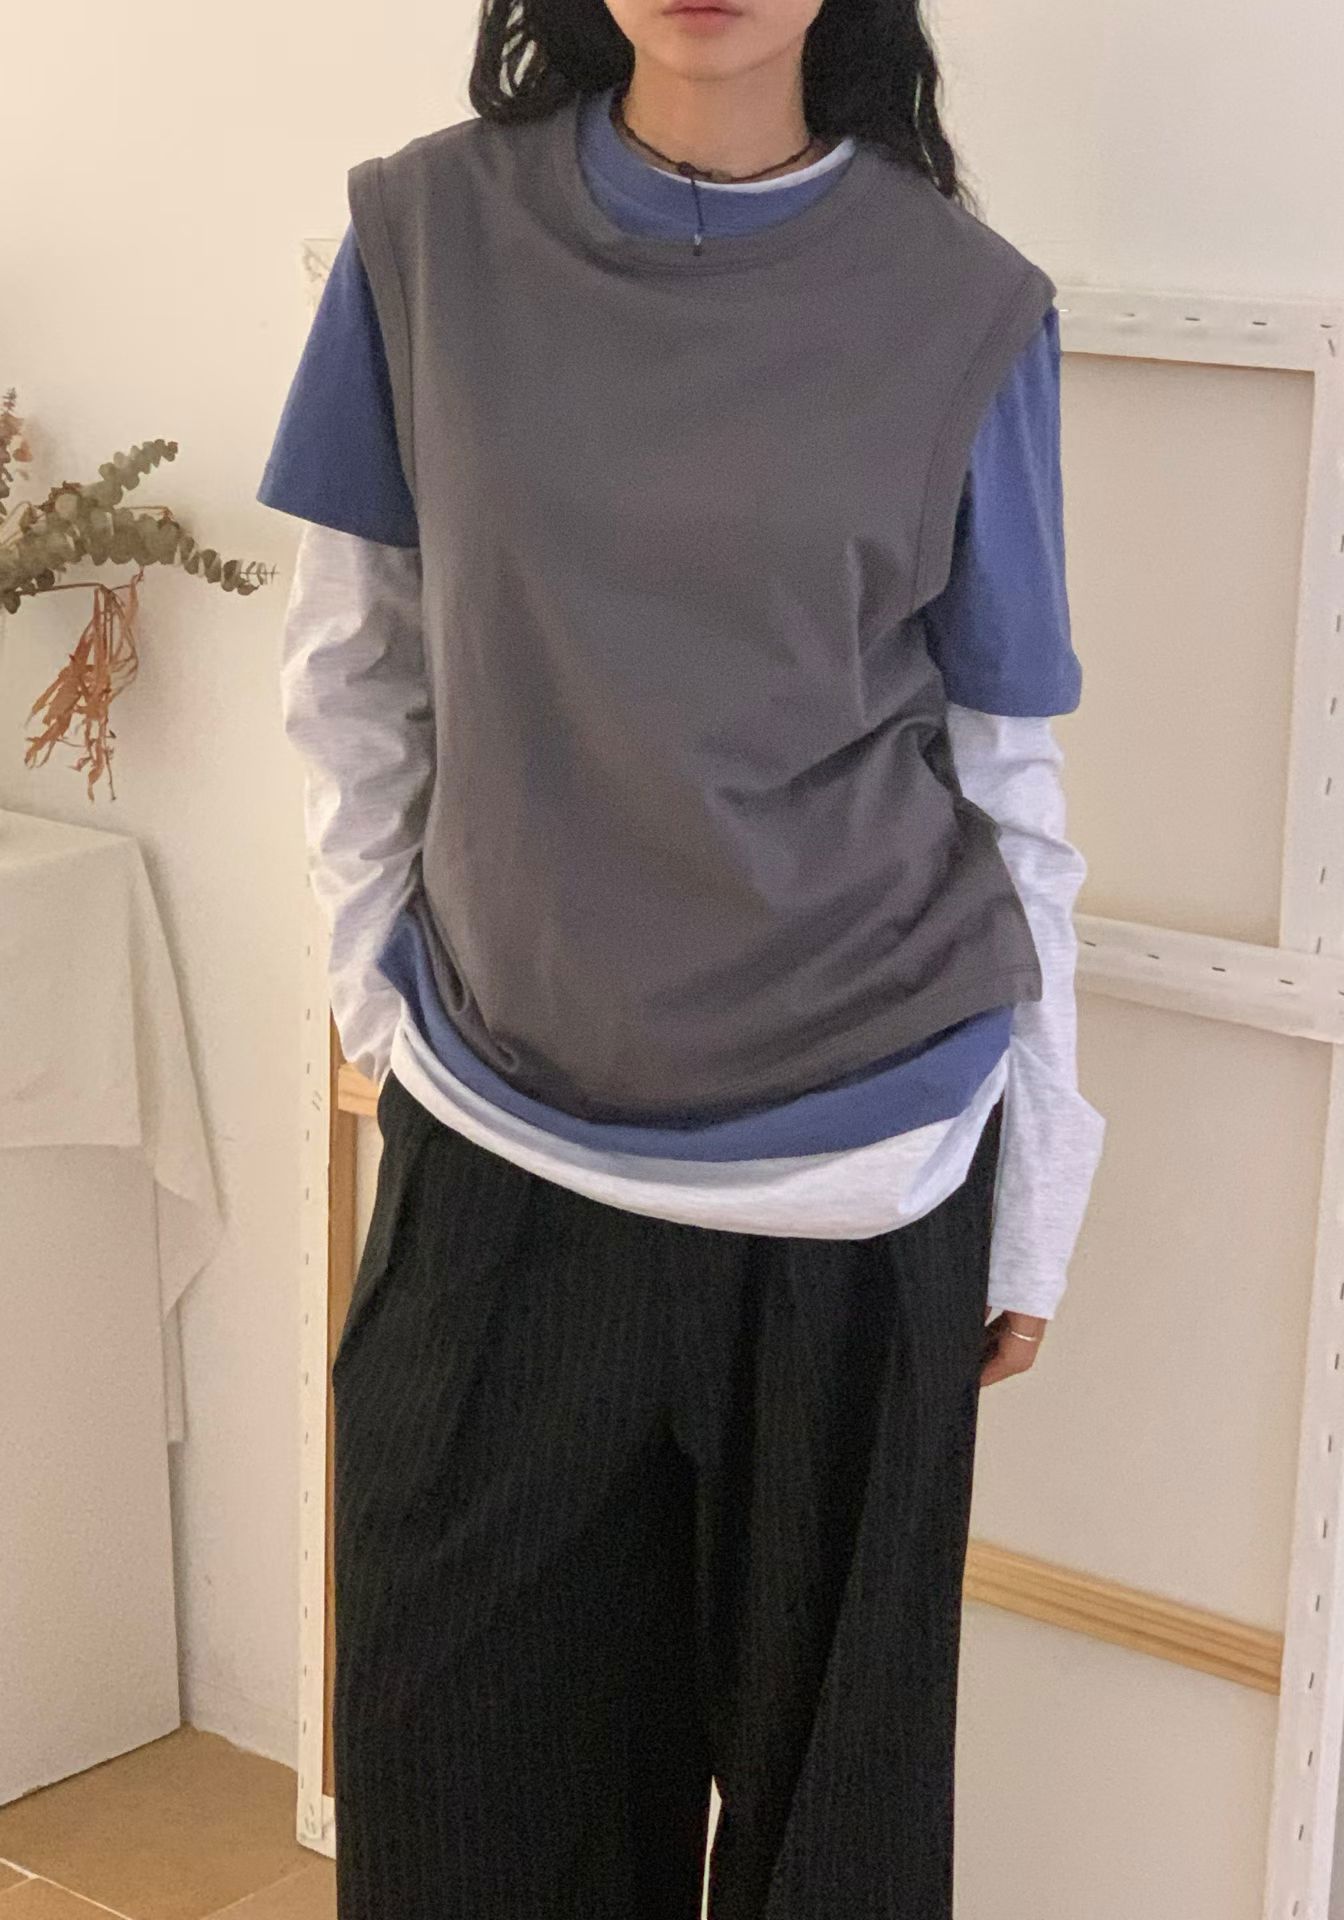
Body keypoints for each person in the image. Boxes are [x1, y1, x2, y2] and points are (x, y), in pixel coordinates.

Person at [258, 0, 1106, 1911]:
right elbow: (350, 669)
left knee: (834, 1858)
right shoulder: (422, 240)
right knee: (466, 1823)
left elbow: (1008, 778)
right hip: (501, 1149)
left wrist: (1038, 1192)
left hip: (864, 1177)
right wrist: (381, 1003)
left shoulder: (965, 308)